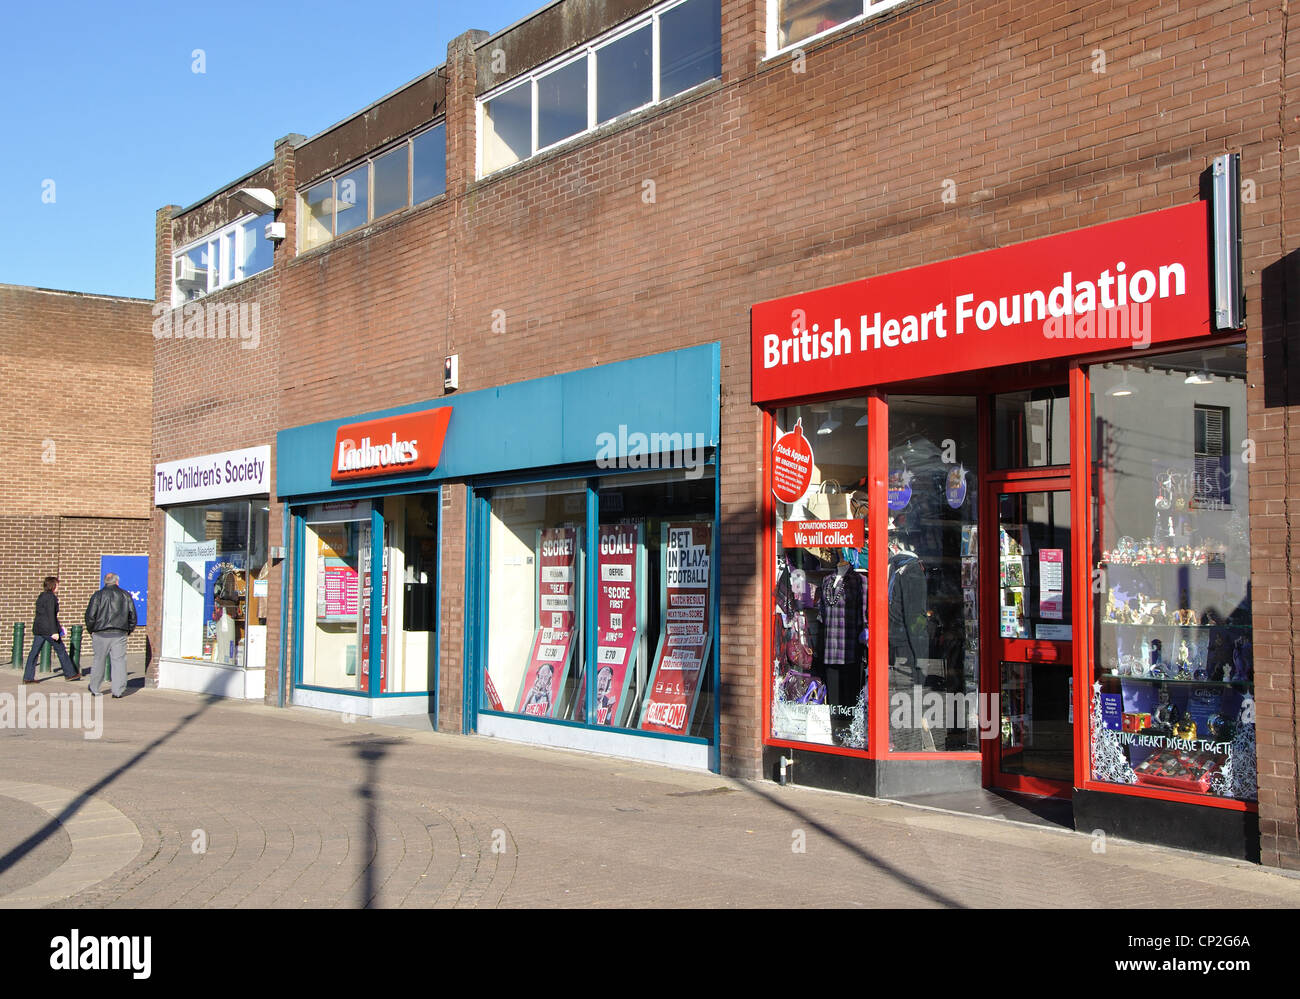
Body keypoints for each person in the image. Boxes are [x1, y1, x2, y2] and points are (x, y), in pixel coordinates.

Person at [85, 571, 137, 698]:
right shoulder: (125, 595)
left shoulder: (97, 595)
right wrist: (128, 630)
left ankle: (95, 688)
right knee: (119, 661)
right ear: (117, 581)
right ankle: (118, 691)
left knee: (98, 660)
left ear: (105, 582)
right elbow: (133, 616)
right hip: (119, 633)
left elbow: (90, 615)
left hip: (100, 633)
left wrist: (91, 630)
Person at [22, 576, 81, 683]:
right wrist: (55, 631)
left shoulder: (41, 596)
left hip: (39, 629)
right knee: (61, 650)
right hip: (48, 630)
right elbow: (51, 615)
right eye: (57, 585)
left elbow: (43, 615)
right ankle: (70, 673)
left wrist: (59, 627)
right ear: (53, 585)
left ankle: (28, 677)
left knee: (34, 652)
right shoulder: (51, 598)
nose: (58, 587)